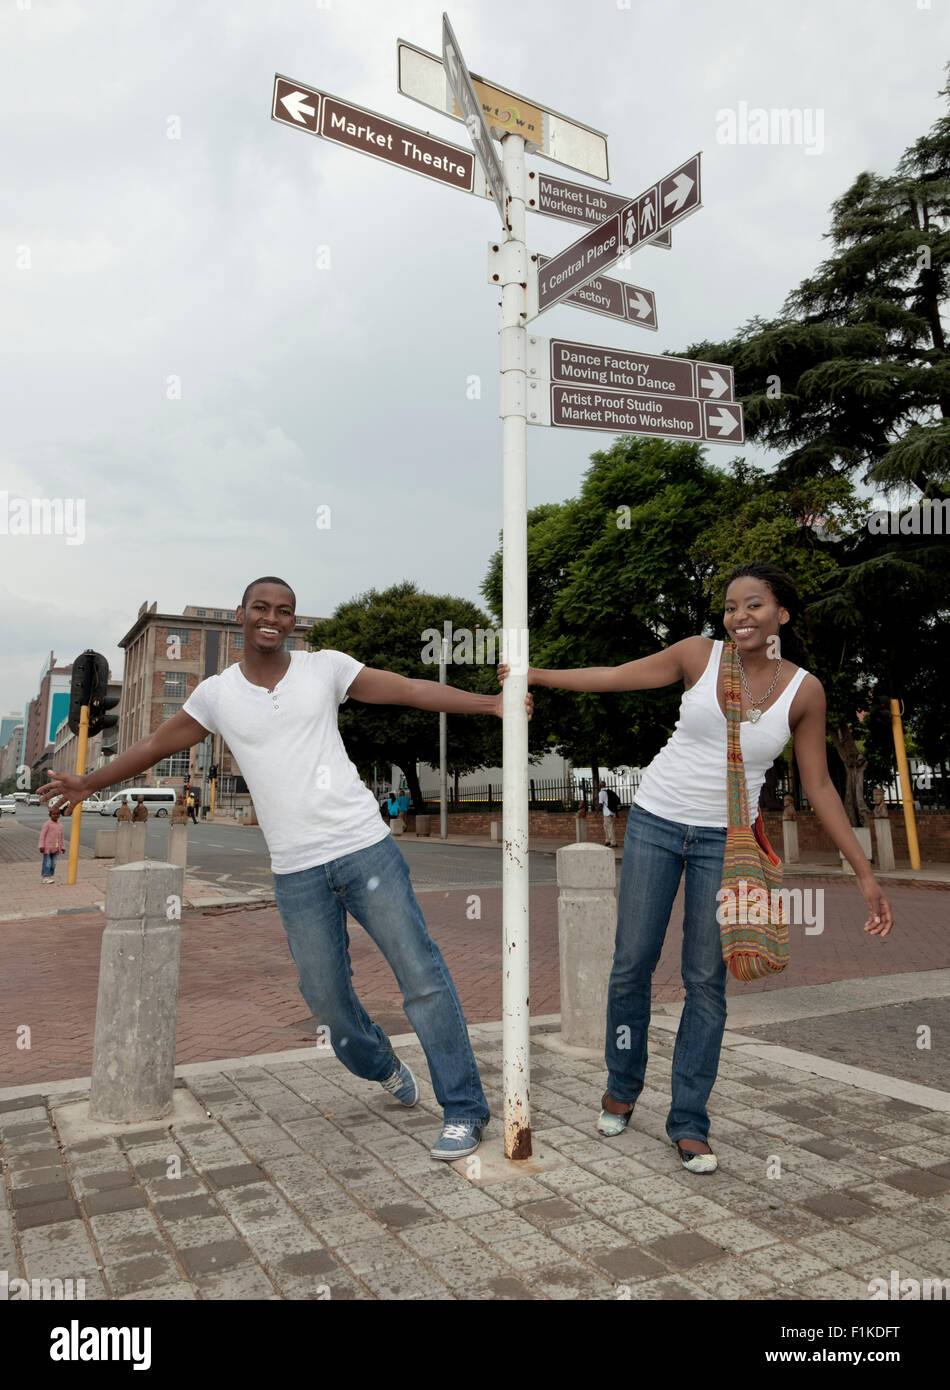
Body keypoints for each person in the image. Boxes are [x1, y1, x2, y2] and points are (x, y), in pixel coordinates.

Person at [40, 577, 532, 1162]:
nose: (272, 617)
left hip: (363, 848)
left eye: (284, 610)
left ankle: (464, 1109)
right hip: (297, 871)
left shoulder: (324, 669)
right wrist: (89, 781)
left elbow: (406, 690)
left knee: (421, 976)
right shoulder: (218, 695)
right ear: (241, 616)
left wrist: (490, 704)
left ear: (293, 621)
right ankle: (381, 1063)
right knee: (324, 1000)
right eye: (261, 608)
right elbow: (152, 745)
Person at [500, 563, 893, 1174]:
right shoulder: (698, 655)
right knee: (631, 964)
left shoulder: (804, 691)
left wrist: (863, 870)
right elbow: (614, 678)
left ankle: (688, 1122)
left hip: (727, 842)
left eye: (754, 605)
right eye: (732, 606)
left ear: (781, 615)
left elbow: (819, 783)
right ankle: (621, 1087)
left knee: (706, 980)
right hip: (657, 821)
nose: (739, 616)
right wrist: (535, 675)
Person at [38, 804, 66, 883]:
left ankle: (49, 876)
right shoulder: (47, 824)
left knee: (53, 863)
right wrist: (41, 846)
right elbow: (42, 835)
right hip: (47, 848)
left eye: (57, 814)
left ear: (59, 815)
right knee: (47, 862)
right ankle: (45, 877)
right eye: (53, 814)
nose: (55, 815)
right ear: (50, 815)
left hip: (56, 848)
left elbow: (61, 837)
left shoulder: (60, 825)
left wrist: (63, 847)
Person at [598, 783, 618, 847]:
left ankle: (613, 843)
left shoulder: (601, 793)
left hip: (607, 812)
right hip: (611, 812)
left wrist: (596, 812)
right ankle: (607, 841)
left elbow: (600, 804)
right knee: (606, 826)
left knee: (609, 828)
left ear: (600, 786)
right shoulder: (609, 791)